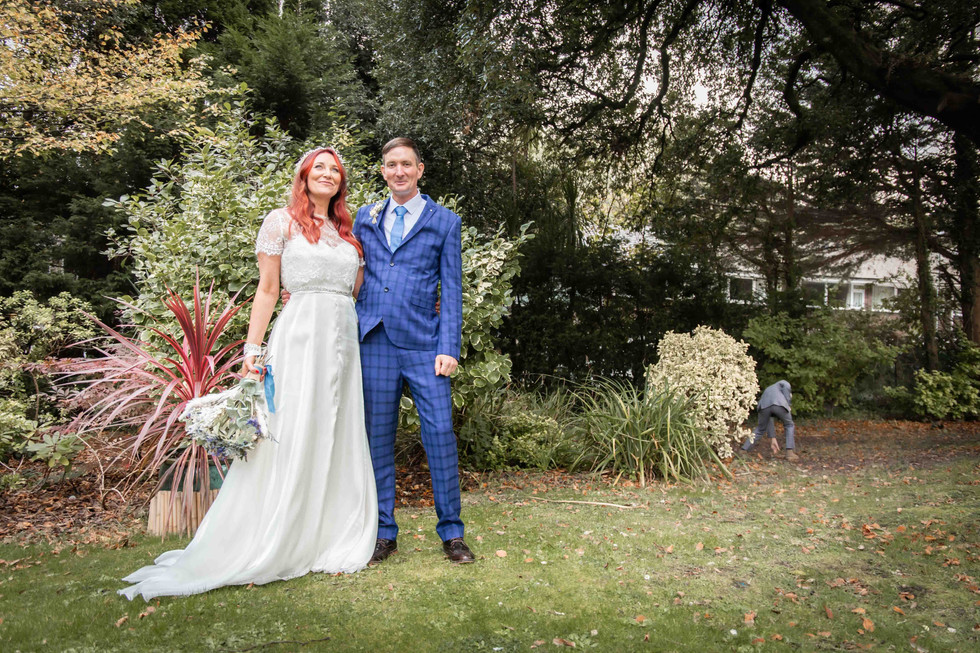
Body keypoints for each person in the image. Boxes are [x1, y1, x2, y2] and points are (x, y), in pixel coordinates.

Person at [119, 148, 378, 600]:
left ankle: (328, 533)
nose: (328, 174)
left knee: (335, 429)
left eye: (335, 169)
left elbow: (355, 290)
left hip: (343, 342)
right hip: (300, 337)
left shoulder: (347, 232)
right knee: (292, 428)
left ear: (342, 181)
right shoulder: (281, 222)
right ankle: (278, 532)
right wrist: (252, 350)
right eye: (319, 167)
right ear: (303, 176)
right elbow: (268, 289)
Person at [353, 137, 474, 564]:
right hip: (374, 340)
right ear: (383, 171)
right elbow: (351, 270)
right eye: (391, 164)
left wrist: (449, 346)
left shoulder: (445, 222)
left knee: (439, 433)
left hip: (426, 345)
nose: (399, 171)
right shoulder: (365, 218)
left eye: (406, 164)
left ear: (420, 169)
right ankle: (383, 532)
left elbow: (452, 289)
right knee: (377, 438)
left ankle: (452, 532)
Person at [740, 380, 798, 461]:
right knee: (789, 425)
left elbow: (769, 419)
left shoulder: (769, 389)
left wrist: (772, 438)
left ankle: (744, 450)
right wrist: (788, 404)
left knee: (760, 429)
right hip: (779, 404)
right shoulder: (783, 382)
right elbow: (786, 386)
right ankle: (789, 453)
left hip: (763, 406)